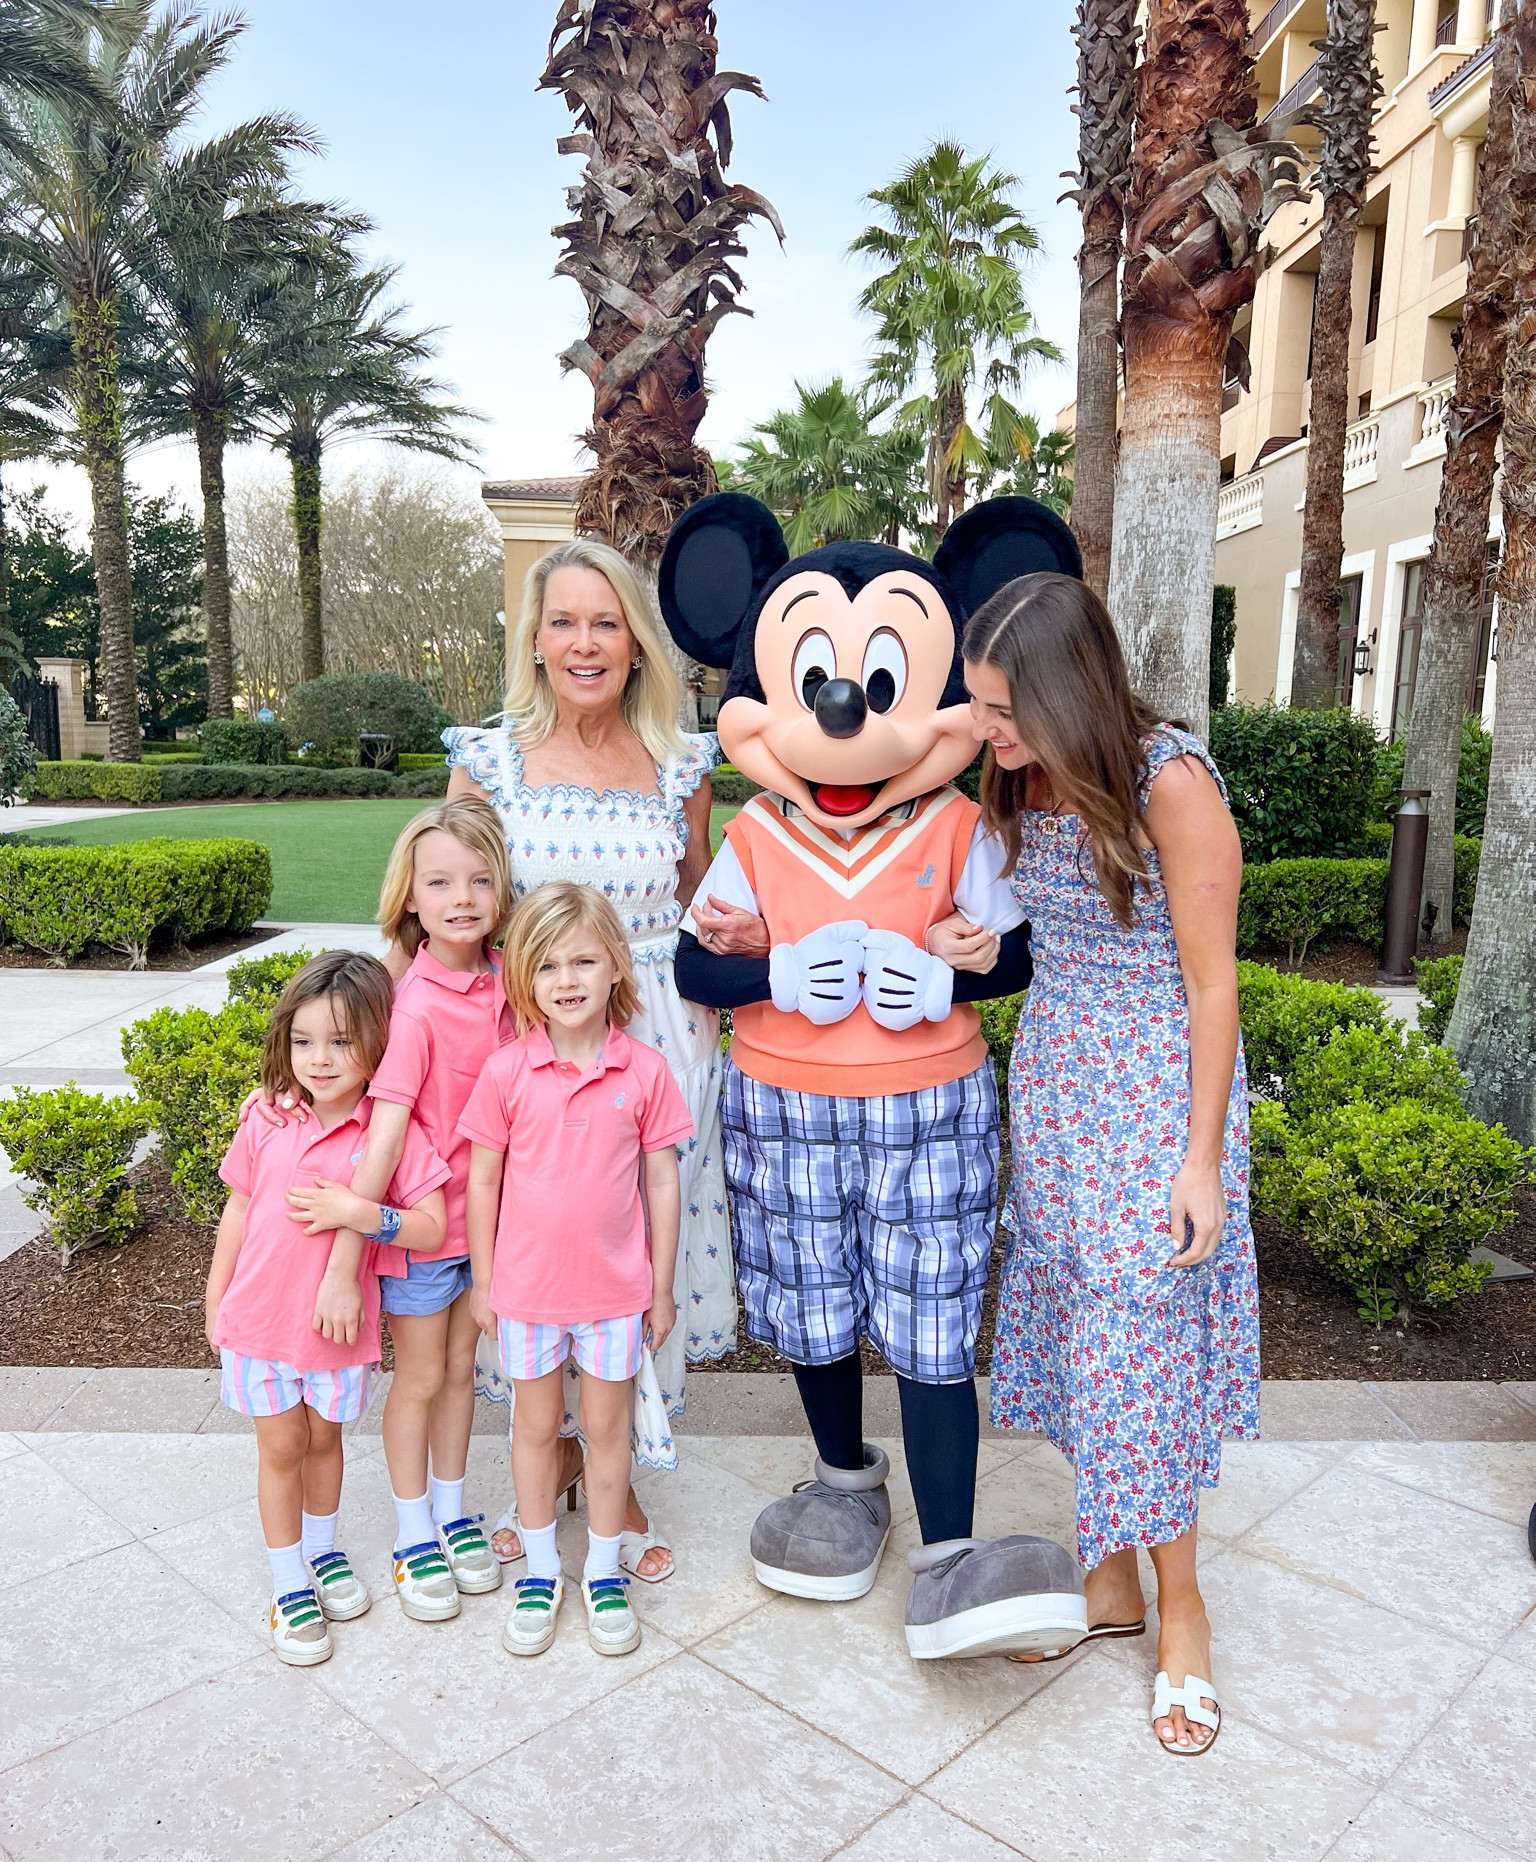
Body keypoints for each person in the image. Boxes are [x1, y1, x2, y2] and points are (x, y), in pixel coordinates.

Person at [962, 572, 1260, 1754]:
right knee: (1085, 1331)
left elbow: (1210, 982)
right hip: (1057, 1087)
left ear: (1066, 692)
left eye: (1001, 708)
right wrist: (990, 939)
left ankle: (1182, 1607)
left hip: (1151, 1096)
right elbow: (1059, 928)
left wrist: (1201, 1160)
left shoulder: (1171, 783)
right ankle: (1112, 1578)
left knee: (1140, 1342)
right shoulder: (1028, 768)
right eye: (980, 707)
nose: (986, 730)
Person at [443, 534, 732, 1584]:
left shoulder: (680, 763)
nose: (584, 641)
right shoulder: (489, 762)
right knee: (542, 1244)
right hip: (537, 1043)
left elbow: (711, 904)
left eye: (605, 621)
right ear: (532, 640)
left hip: (661, 1034)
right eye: (562, 621)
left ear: (637, 641)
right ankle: (551, 1451)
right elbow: (446, 909)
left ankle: (614, 1460)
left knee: (635, 1250)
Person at [461, 883, 691, 1658]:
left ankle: (600, 1570)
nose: (567, 980)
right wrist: (486, 1280)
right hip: (526, 1296)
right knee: (532, 1427)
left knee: (605, 1429)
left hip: (615, 1297)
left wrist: (659, 1288)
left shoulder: (645, 1072)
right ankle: (538, 1570)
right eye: (549, 965)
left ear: (616, 967)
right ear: (524, 979)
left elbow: (662, 1180)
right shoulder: (505, 1073)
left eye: (584, 961)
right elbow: (483, 1180)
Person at [301, 798, 516, 1624]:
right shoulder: (414, 1005)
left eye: (478, 880)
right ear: (412, 899)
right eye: (440, 882)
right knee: (421, 1377)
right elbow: (383, 1137)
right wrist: (347, 1258)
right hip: (425, 1232)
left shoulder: (509, 985)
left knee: (464, 1372)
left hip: (490, 1229)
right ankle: (411, 1529)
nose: (461, 897)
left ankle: (455, 1510)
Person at [204, 952, 450, 1666]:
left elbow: (431, 1227)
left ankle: (323, 1550)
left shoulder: (392, 1134)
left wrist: (363, 1212)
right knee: (280, 1448)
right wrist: (216, 1298)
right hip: (259, 1324)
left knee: (325, 1442)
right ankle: (289, 1585)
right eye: (304, 1041)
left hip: (338, 1335)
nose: (319, 1059)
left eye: (341, 1042)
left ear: (379, 1043)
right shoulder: (269, 1119)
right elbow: (239, 1211)